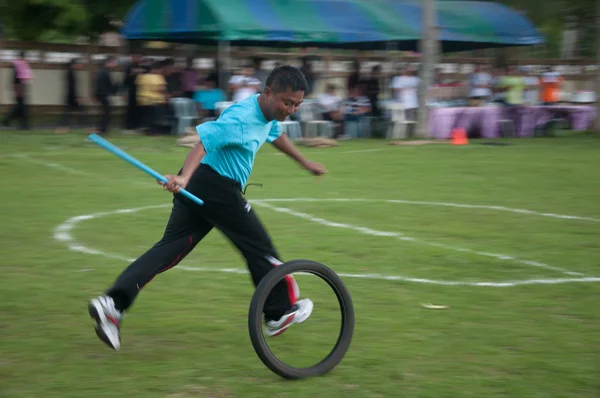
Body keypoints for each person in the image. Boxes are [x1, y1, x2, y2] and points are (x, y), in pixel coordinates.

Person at [88, 66, 327, 351]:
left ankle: (112, 305)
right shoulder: (241, 117)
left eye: (297, 104)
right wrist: (183, 178)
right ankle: (279, 311)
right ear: (268, 93)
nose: (291, 109)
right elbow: (203, 141)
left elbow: (275, 135)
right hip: (217, 187)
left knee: (169, 250)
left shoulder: (267, 113)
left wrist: (305, 163)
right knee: (260, 248)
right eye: (287, 102)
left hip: (204, 185)